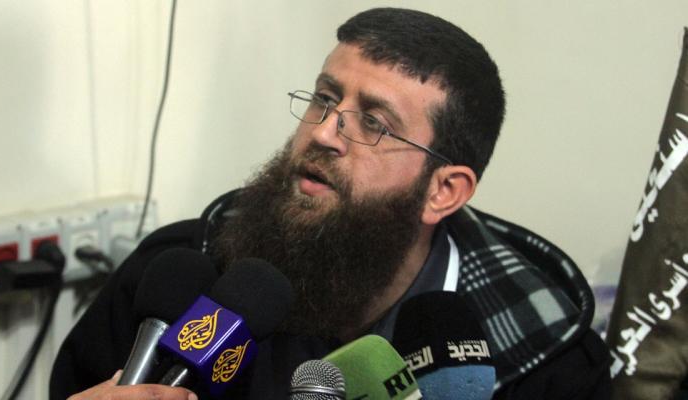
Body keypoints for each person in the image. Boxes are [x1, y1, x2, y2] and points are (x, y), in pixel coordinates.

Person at [51, 7, 612, 400]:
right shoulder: (178, 277)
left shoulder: (546, 361)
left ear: (443, 191)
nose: (323, 132)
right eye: (324, 99)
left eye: (373, 123)